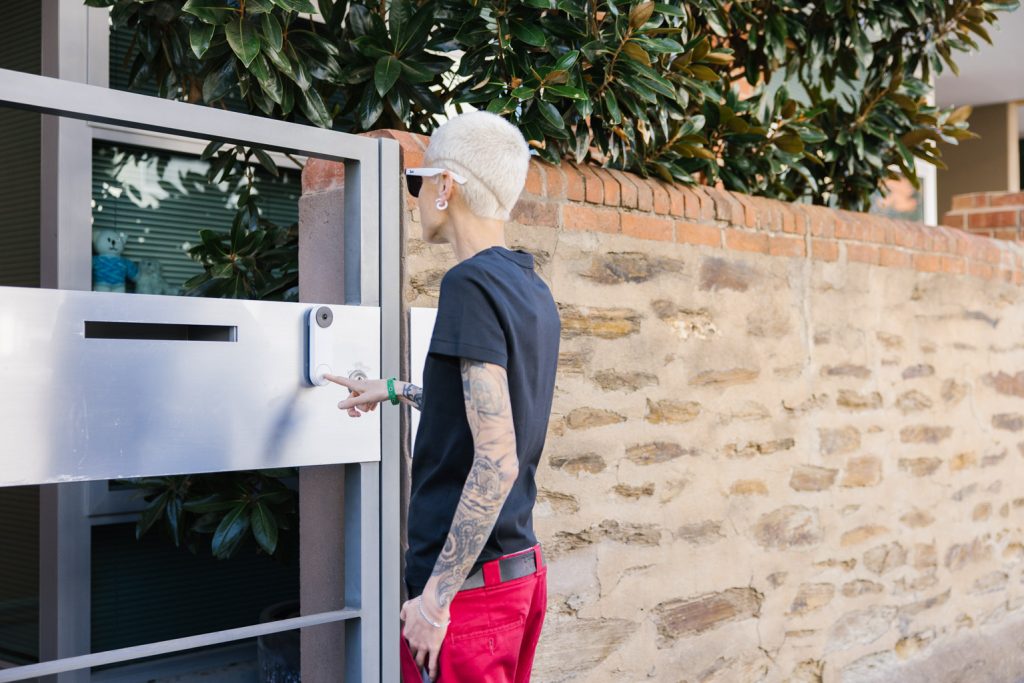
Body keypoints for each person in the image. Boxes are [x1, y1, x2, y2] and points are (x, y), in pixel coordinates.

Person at [325, 110, 561, 682]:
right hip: (518, 574)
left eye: (419, 181)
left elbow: (497, 458)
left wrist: (433, 603)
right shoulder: (532, 287)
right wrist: (392, 389)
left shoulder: (469, 283)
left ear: (446, 186)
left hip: (471, 597)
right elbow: (487, 414)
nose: (415, 195)